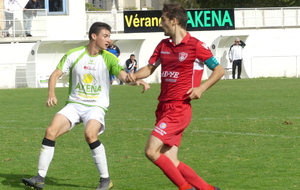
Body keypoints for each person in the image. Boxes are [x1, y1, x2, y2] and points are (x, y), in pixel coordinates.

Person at [22, 22, 150, 190]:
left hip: (96, 106)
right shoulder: (74, 54)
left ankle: (105, 180)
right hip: (75, 104)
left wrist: (136, 81)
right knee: (50, 131)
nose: (109, 40)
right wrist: (51, 94)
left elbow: (125, 77)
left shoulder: (109, 57)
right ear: (93, 36)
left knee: (90, 134)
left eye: (109, 36)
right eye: (105, 36)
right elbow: (54, 75)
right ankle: (39, 178)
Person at [127, 3, 224, 190]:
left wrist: (201, 88)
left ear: (174, 20)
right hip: (163, 107)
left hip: (179, 108)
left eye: (163, 19)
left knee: (150, 151)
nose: (160, 23)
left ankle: (185, 188)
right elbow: (149, 68)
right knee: (171, 159)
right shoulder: (163, 45)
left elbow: (219, 70)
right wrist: (134, 75)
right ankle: (208, 189)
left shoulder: (196, 45)